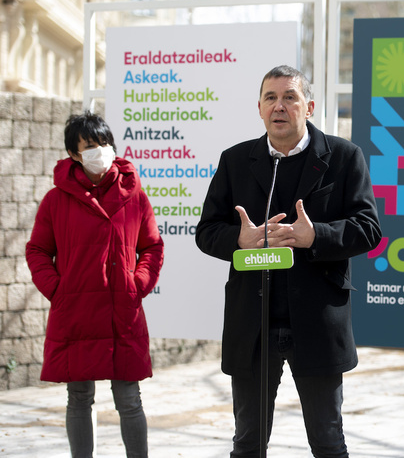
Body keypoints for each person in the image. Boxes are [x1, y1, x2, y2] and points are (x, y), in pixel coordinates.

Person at [195, 65, 381, 458]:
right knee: (247, 444)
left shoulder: (344, 157)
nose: (279, 106)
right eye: (270, 98)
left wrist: (318, 236)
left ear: (308, 106)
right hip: (254, 324)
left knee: (328, 443)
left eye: (289, 97)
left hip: (317, 322)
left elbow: (368, 229)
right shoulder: (235, 160)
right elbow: (207, 231)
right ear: (259, 109)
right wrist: (239, 240)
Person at [26, 112, 164, 458]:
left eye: (104, 143)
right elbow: (38, 250)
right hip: (77, 312)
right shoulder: (55, 201)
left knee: (129, 398)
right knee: (79, 397)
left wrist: (139, 283)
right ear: (73, 154)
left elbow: (151, 247)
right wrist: (58, 291)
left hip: (123, 310)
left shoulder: (134, 196)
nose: (100, 151)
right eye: (90, 146)